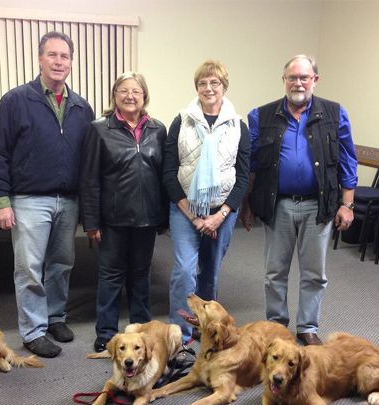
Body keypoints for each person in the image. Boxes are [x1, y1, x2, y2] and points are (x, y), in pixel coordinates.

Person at [0, 31, 94, 358]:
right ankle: (33, 331)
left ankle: (55, 317)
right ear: (40, 59)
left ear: (71, 63)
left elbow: (87, 160)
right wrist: (1, 200)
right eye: (53, 55)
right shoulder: (16, 101)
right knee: (29, 267)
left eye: (65, 56)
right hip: (30, 199)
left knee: (61, 264)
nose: (59, 61)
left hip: (68, 200)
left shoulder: (81, 107)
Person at [242, 54, 357, 346]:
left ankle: (307, 326)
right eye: (292, 77)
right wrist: (247, 205)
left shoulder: (334, 113)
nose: (298, 83)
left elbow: (347, 161)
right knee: (274, 272)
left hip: (318, 206)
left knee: (314, 272)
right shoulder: (261, 116)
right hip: (277, 204)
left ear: (315, 80)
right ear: (284, 80)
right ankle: (277, 326)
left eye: (304, 77)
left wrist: (347, 204)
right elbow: (251, 164)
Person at [163, 60, 250, 346]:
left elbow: (243, 177)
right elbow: (168, 171)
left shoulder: (239, 126)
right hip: (186, 210)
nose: (208, 88)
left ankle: (207, 331)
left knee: (210, 272)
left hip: (222, 213)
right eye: (203, 83)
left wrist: (220, 215)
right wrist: (195, 216)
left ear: (224, 87)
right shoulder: (182, 120)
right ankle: (181, 336)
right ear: (196, 87)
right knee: (185, 271)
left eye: (215, 83)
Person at [79, 72, 167, 352]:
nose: (130, 96)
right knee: (111, 275)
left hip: (146, 218)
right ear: (114, 95)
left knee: (141, 275)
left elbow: (163, 175)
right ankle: (106, 332)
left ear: (145, 96)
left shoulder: (158, 129)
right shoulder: (99, 129)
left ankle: (140, 330)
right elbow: (89, 179)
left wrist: (162, 216)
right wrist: (91, 221)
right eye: (124, 91)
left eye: (136, 91)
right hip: (112, 219)